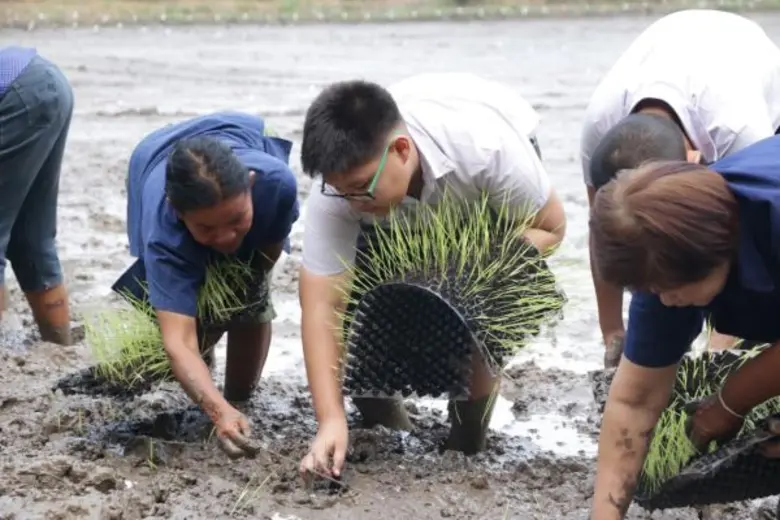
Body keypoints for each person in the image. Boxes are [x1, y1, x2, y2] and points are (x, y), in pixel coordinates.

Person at [296, 73, 567, 480]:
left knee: (464, 306)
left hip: (479, 181)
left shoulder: (487, 150)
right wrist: (330, 419)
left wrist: (472, 274)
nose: (352, 201)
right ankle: (390, 428)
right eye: (341, 191)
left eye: (359, 189)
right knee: (364, 308)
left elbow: (551, 228)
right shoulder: (338, 193)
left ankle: (467, 439)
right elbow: (321, 306)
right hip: (409, 188)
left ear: (401, 150)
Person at [587, 135, 780, 519]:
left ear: (717, 250)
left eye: (669, 289)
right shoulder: (658, 254)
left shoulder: (769, 221)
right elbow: (633, 402)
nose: (662, 300)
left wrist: (730, 402)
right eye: (648, 290)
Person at [580, 9, 780, 367]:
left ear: (693, 159)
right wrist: (613, 332)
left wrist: (718, 353)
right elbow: (603, 236)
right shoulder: (598, 130)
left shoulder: (739, 131)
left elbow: (744, 242)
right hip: (672, 44)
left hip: (745, 54)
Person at [113, 112, 299, 459]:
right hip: (152, 156)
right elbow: (178, 343)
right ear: (178, 213)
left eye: (236, 219)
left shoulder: (276, 185)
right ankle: (215, 386)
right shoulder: (164, 233)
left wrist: (246, 286)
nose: (226, 237)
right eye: (207, 229)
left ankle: (241, 397)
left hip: (236, 130)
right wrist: (217, 412)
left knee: (251, 297)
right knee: (181, 314)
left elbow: (267, 252)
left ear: (252, 184)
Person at [0, 47, 74, 345]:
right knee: (31, 237)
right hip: (44, 79)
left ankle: (4, 366)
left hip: (15, 93)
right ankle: (61, 349)